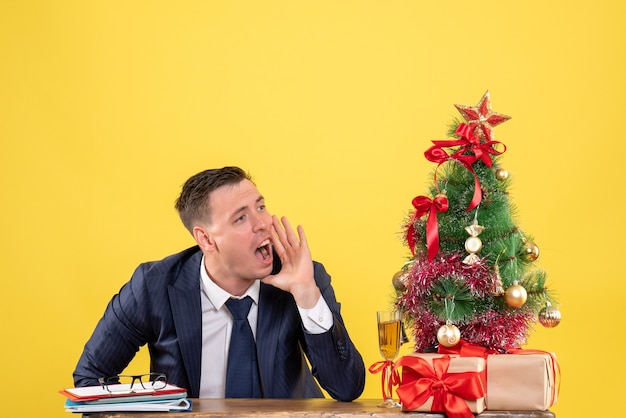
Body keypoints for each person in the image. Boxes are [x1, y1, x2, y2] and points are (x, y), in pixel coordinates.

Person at [73, 166, 365, 401]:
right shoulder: (154, 286)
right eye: (241, 218)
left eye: (260, 206)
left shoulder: (303, 277)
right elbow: (89, 379)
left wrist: (306, 295)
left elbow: (347, 388)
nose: (262, 222)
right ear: (206, 239)